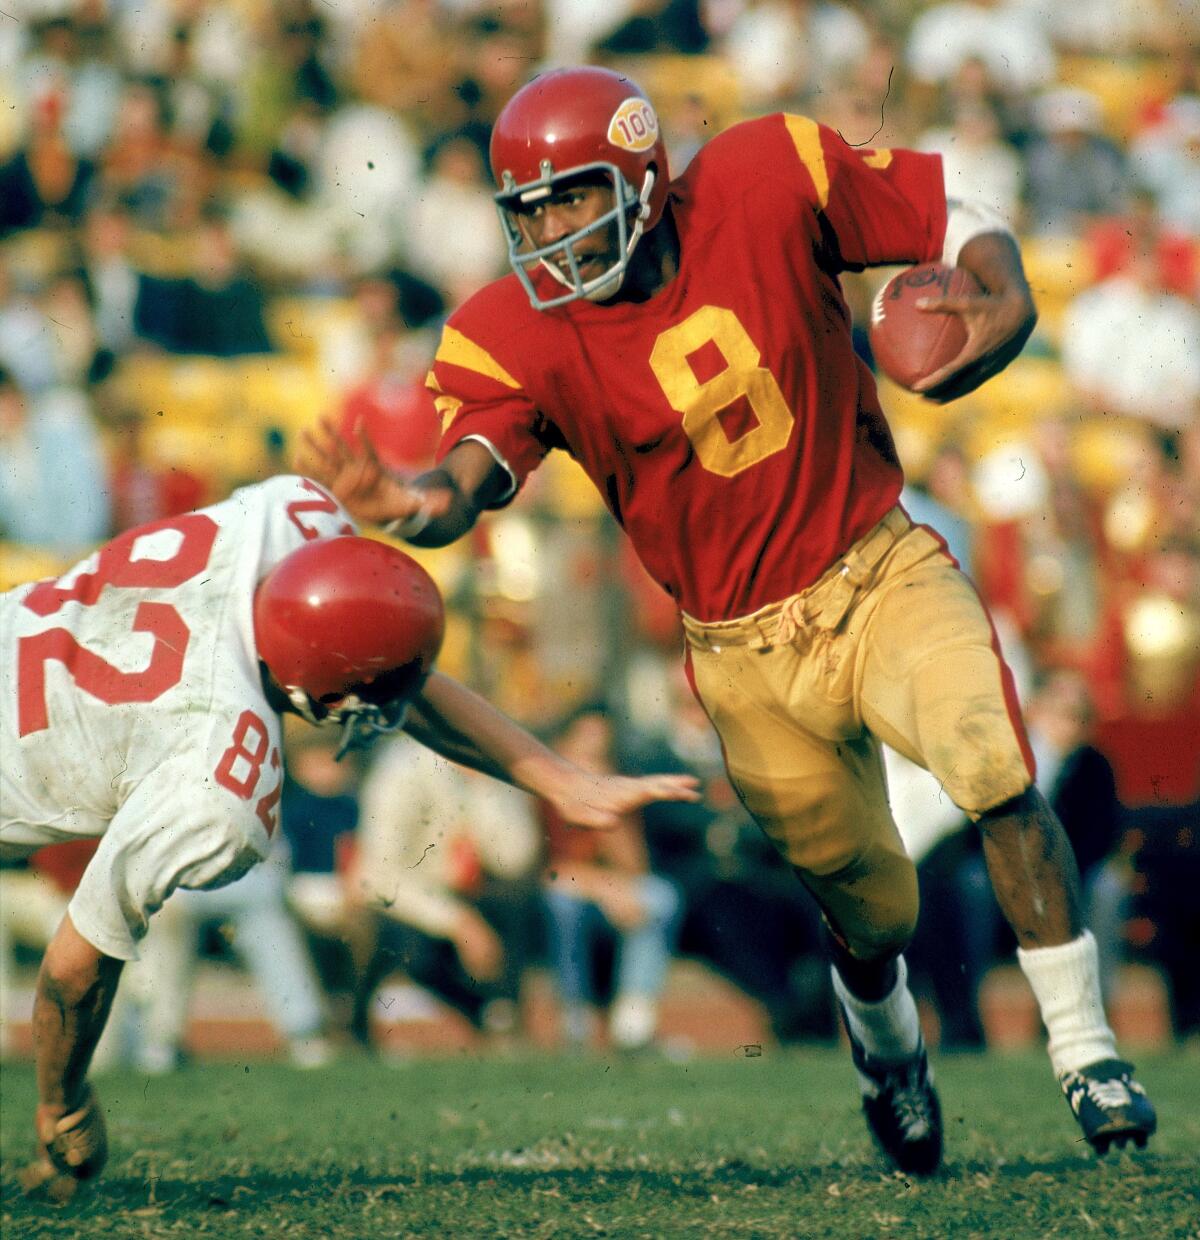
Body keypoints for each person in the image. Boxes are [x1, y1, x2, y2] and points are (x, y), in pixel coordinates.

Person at [302, 65, 1159, 1175]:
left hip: (875, 563)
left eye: (571, 199)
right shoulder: (520, 331)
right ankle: (888, 1048)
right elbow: (460, 483)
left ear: (645, 182)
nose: (551, 234)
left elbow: (954, 213)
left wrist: (1003, 293)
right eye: (532, 212)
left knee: (991, 764)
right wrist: (404, 502)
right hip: (740, 652)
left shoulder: (763, 175)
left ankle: (1086, 1049)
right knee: (872, 909)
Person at [2, 472, 699, 1200]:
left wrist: (552, 777)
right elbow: (77, 965)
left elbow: (386, 661)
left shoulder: (278, 524)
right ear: (326, 696)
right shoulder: (219, 771)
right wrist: (63, 1104)